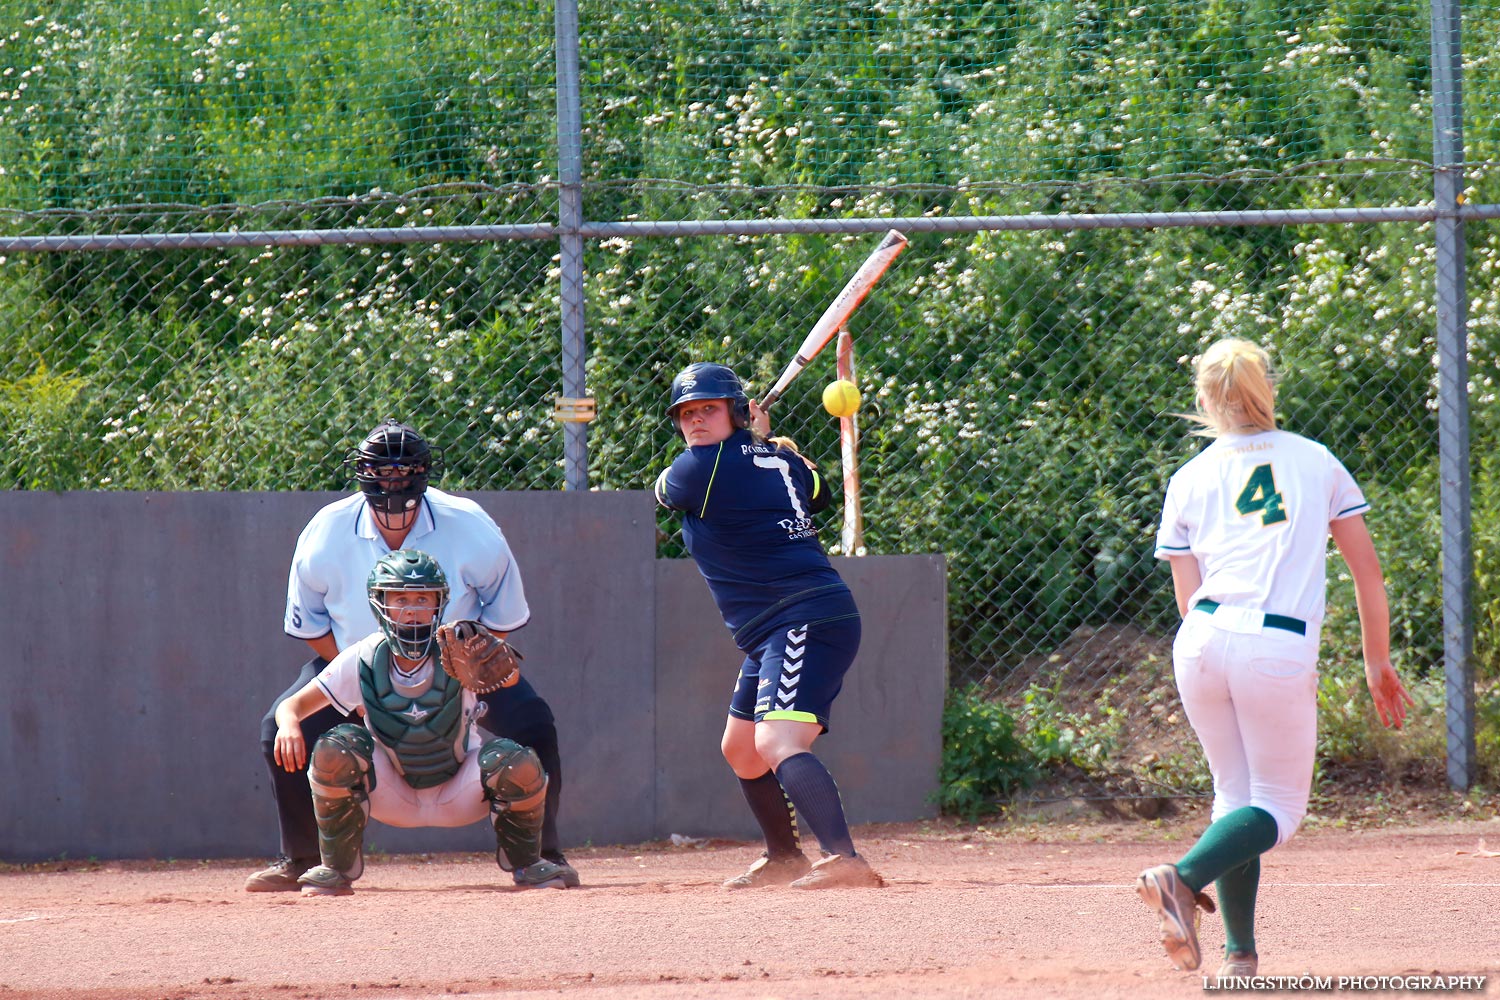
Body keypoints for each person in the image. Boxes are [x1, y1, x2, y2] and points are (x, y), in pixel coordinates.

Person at [1136, 338, 1413, 978]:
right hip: (1275, 641)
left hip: (1200, 639)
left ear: (1205, 399)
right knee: (1280, 810)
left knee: (1236, 800)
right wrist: (1376, 661)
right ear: (1268, 391)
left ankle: (1240, 957)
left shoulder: (1189, 476)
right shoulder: (1314, 461)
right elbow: (1366, 575)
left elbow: (1186, 595)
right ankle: (1181, 881)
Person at [246, 419, 578, 890]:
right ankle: (301, 858)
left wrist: (474, 662)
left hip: (458, 669)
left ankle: (543, 853)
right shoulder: (325, 532)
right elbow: (314, 627)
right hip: (358, 657)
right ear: (361, 476)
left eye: (405, 473)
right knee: (276, 729)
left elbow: (502, 615)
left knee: (534, 723)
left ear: (424, 474)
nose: (393, 483)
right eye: (381, 474)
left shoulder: (469, 525)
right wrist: (367, 676)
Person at [653, 362, 882, 890]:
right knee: (740, 748)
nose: (695, 422)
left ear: (735, 411)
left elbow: (665, 490)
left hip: (802, 616)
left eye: (709, 409)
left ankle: (845, 858)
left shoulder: (698, 468)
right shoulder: (782, 458)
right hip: (780, 623)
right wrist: (760, 440)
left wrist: (747, 440)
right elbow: (818, 492)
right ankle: (784, 857)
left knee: (779, 741)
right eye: (686, 414)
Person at [272, 548, 569, 894]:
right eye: (400, 599)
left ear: (438, 604)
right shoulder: (365, 656)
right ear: (380, 603)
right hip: (392, 791)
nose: (412, 610)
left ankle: (528, 864)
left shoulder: (457, 648)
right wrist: (289, 723)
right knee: (335, 747)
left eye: (422, 598)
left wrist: (498, 663)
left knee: (515, 760)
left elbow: (510, 681)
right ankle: (335, 869)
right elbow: (291, 705)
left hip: (460, 789)